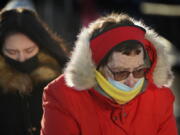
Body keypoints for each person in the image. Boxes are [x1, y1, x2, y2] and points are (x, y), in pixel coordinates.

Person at [40, 13, 178, 135]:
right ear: (96, 66)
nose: (131, 82)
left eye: (139, 71)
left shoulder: (159, 96)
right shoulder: (62, 96)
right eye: (120, 73)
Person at [0, 8, 69, 135]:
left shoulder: (63, 78)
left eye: (29, 50)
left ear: (41, 45)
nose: (22, 58)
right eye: (12, 52)